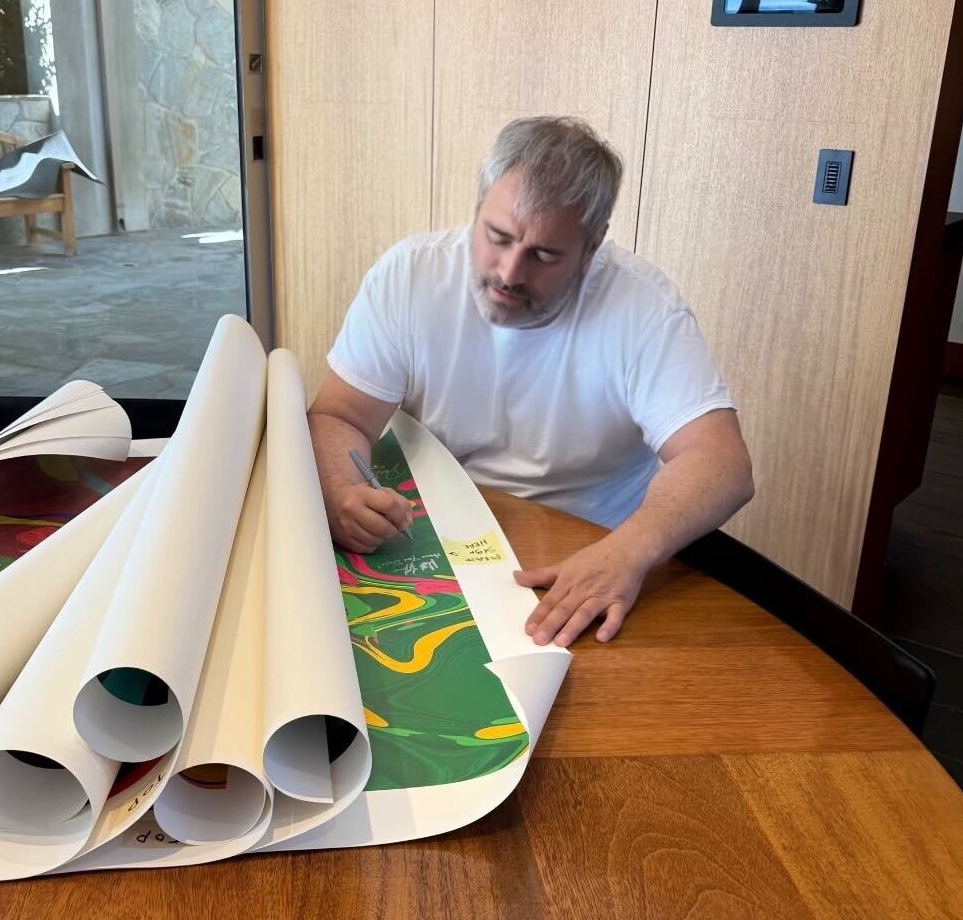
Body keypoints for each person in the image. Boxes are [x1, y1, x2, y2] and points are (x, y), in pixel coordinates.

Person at [308, 116, 754, 648]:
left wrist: (628, 551)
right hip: (428, 536)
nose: (510, 272)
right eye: (497, 237)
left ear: (591, 249)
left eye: (544, 255)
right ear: (478, 207)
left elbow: (721, 463)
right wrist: (342, 489)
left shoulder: (643, 308)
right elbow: (339, 415)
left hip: (589, 554)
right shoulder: (409, 276)